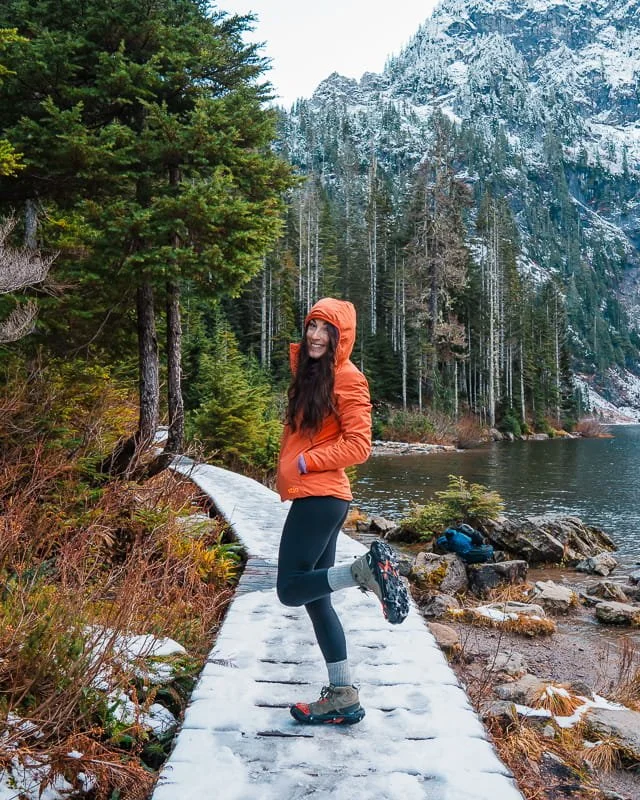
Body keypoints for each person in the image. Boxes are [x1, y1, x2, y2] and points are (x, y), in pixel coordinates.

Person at [276, 297, 409, 726]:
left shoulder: (348, 379)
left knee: (290, 589)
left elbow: (360, 444)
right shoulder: (314, 374)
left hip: (321, 496)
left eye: (325, 330)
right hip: (319, 497)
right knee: (316, 599)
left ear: (341, 337)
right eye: (312, 326)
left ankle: (363, 572)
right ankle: (342, 695)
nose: (315, 336)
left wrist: (305, 462)